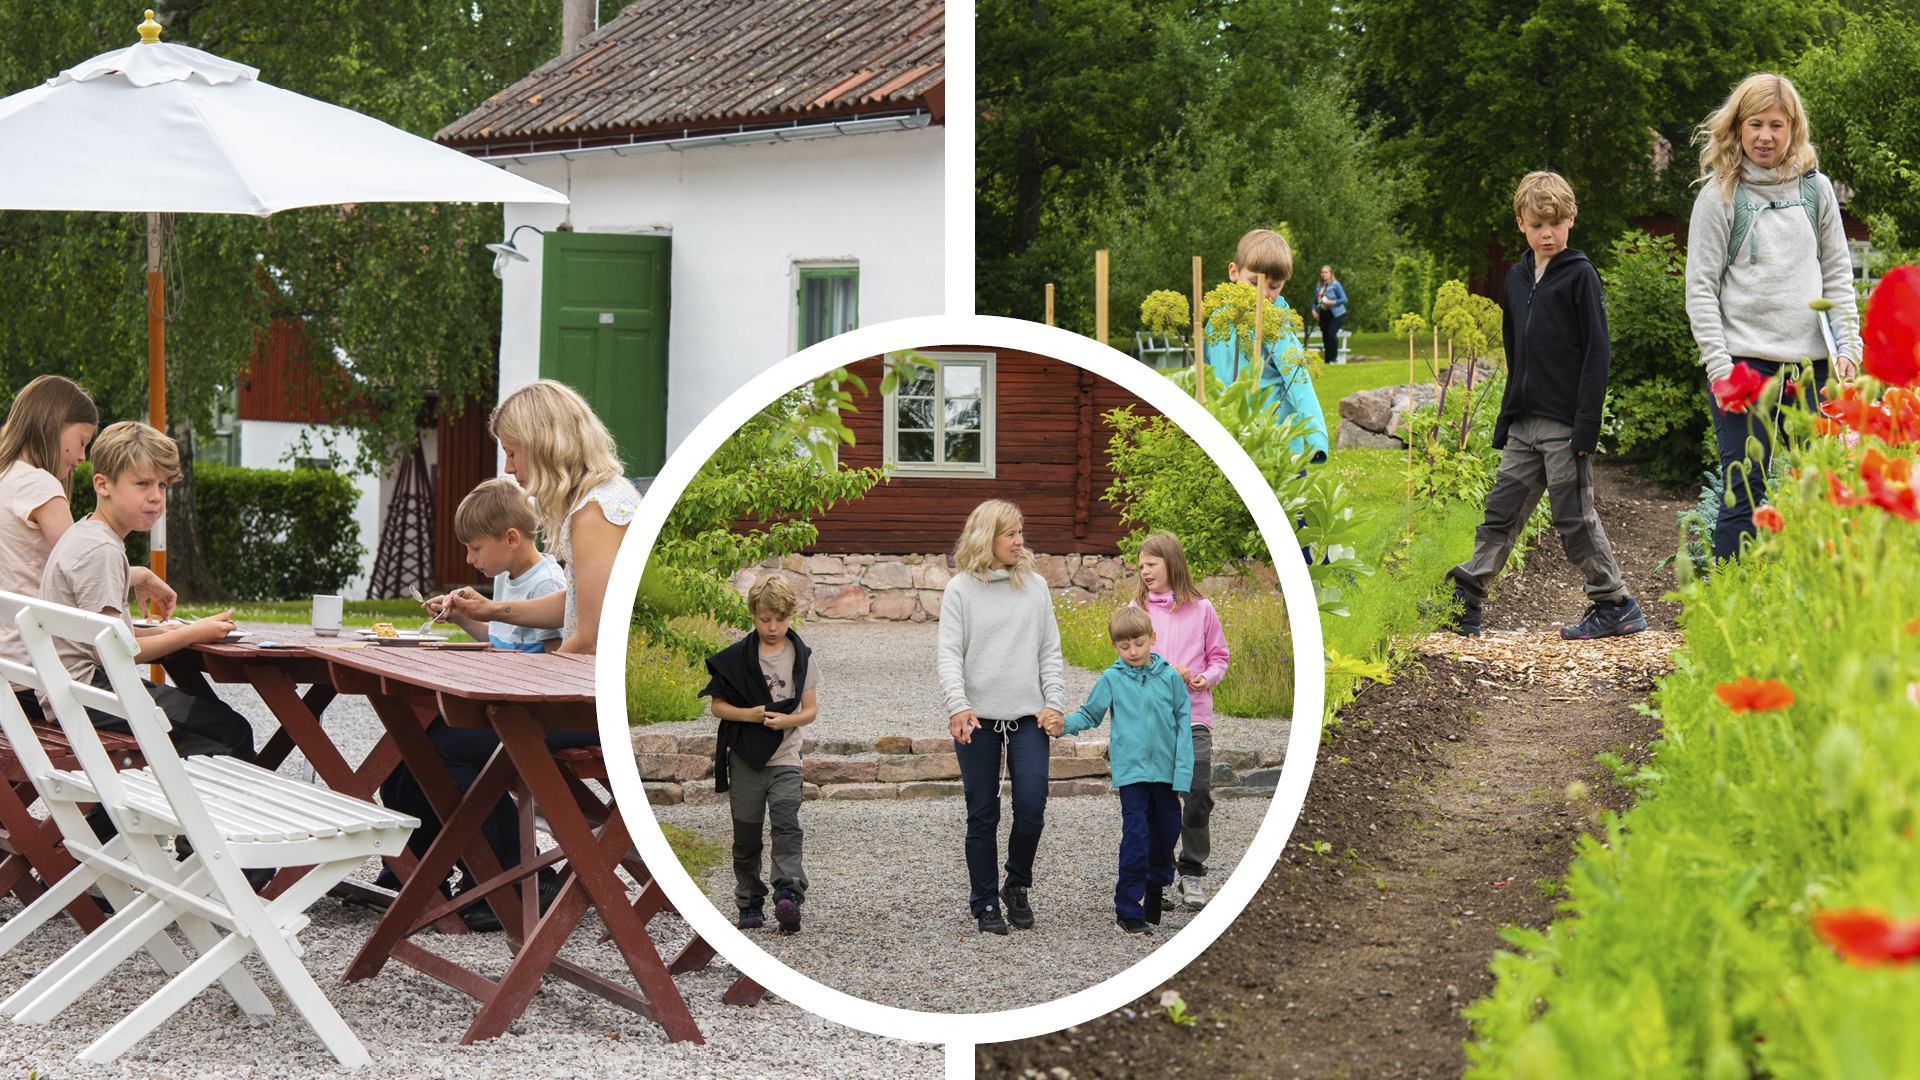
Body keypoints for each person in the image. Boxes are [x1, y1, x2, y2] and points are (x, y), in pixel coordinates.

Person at [399, 380, 633, 929]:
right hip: (597, 692)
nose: (508, 466)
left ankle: (501, 881)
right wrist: (493, 613)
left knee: (443, 744)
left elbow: (592, 633)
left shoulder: (596, 511)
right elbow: (575, 606)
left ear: (544, 442)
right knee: (445, 734)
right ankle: (496, 877)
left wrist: (527, 686)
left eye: (512, 449)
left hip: (598, 704)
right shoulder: (603, 499)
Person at [1443, 171, 1646, 641]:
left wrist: (1586, 426)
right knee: (1501, 510)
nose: (1547, 234)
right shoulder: (1515, 278)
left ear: (1571, 220)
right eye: (1537, 225)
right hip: (1524, 423)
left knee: (1572, 515)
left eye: (1556, 223)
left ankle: (1615, 603)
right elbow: (1516, 353)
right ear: (1521, 224)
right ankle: (1466, 599)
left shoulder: (1580, 276)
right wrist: (1508, 416)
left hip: (1564, 423)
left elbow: (1598, 354)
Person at [1684, 72, 1859, 560]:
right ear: (1738, 128)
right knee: (1744, 496)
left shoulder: (1816, 190)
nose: (1766, 136)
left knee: (1820, 495)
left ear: (1793, 129)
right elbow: (1699, 291)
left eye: (1776, 125)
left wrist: (1848, 349)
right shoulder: (1719, 196)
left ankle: (1818, 611)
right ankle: (1724, 610)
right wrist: (1720, 371)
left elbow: (1839, 277)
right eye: (1756, 124)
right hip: (1745, 369)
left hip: (1812, 370)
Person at [1, 376, 174, 719]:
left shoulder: (6, 476)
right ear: (52, 426)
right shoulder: (39, 485)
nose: (82, 457)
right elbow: (82, 561)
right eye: (81, 441)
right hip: (36, 671)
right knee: (206, 722)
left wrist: (136, 575)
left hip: (8, 670)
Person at [938, 499, 1065, 935]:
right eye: (1010, 533)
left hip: (1029, 717)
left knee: (1031, 805)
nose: (1020, 540)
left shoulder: (1036, 587)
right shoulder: (959, 590)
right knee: (983, 813)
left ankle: (1017, 884)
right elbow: (949, 655)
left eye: (1020, 532)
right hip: (977, 719)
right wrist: (957, 704)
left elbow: (1050, 652)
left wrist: (1056, 702)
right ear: (985, 537)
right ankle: (985, 901)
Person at [1044, 606, 1193, 935]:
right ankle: (1128, 909)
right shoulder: (1111, 678)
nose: (1133, 652)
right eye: (1124, 647)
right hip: (1132, 776)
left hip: (1168, 775)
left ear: (1152, 638)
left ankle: (1156, 886)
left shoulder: (1170, 678)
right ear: (1115, 647)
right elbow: (1090, 714)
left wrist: (1183, 773)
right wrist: (1063, 725)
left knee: (1167, 834)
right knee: (1136, 840)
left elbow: (1185, 726)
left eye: (1139, 644)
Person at [701, 575, 818, 934]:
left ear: (790, 616)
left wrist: (787, 719)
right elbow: (717, 707)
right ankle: (749, 901)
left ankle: (788, 894)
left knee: (787, 825)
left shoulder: (801, 658)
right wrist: (749, 714)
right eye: (765, 619)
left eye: (780, 620)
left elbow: (810, 711)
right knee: (747, 835)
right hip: (746, 760)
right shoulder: (736, 660)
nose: (773, 627)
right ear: (752, 614)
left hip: (785, 756)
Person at [1128, 533, 1229, 911]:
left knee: (1198, 789)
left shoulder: (1203, 609)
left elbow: (1219, 656)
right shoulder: (1136, 610)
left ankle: (1191, 869)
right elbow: (1127, 661)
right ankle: (1159, 874)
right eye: (1141, 566)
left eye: (1151, 564)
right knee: (1158, 798)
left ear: (1171, 563)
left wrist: (1208, 677)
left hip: (1194, 716)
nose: (1144, 572)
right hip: (1151, 719)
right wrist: (1165, 670)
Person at [1203, 229, 1330, 463]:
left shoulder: (1277, 324)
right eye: (1254, 282)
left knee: (1282, 500)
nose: (1264, 294)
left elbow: (1299, 380)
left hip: (1275, 443)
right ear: (1234, 272)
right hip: (1226, 438)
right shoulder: (1216, 321)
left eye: (1274, 286)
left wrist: (1316, 439)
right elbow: (1203, 376)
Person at [430, 477, 566, 653]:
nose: (469, 559)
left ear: (511, 539)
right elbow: (501, 641)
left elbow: (555, 661)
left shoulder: (546, 583)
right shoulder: (504, 576)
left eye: (476, 548)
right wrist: (459, 616)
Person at [1314, 265, 1348, 367]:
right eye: (1322, 272)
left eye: (1326, 272)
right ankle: (1328, 360)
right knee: (1325, 336)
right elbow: (1315, 302)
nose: (1324, 274)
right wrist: (1313, 310)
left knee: (1331, 333)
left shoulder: (1335, 285)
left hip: (1337, 314)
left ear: (1330, 273)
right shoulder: (1319, 287)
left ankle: (1334, 358)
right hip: (1324, 314)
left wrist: (1332, 302)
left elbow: (1343, 299)